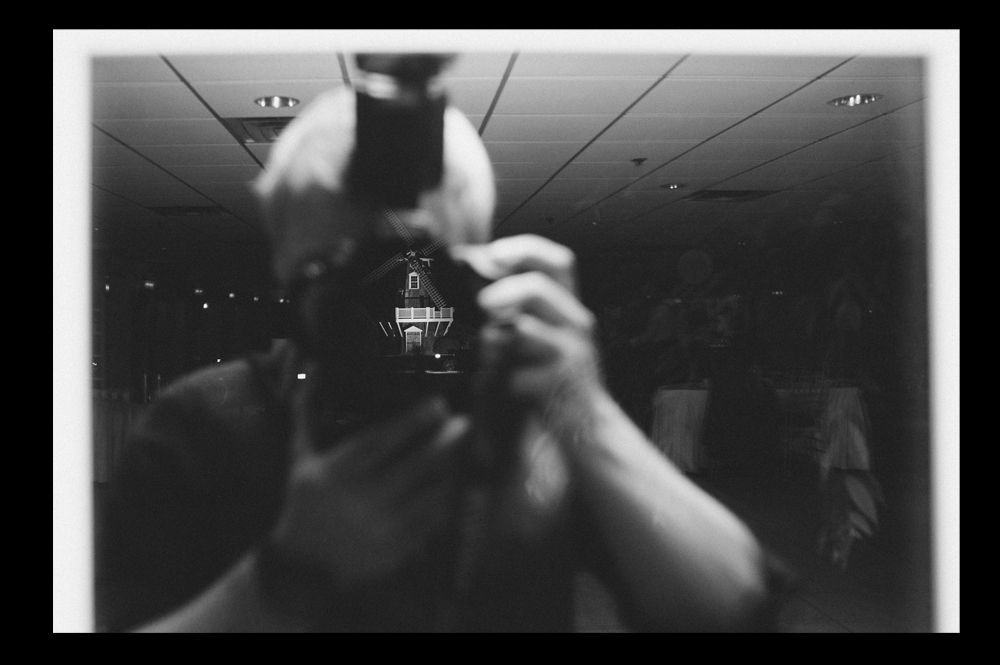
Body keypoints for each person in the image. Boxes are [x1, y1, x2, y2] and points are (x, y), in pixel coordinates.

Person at [96, 78, 785, 633]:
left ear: (479, 264)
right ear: (282, 268)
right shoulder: (202, 422)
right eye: (343, 275)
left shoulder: (527, 412)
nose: (393, 311)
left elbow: (733, 610)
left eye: (415, 272)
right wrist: (288, 575)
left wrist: (588, 415)